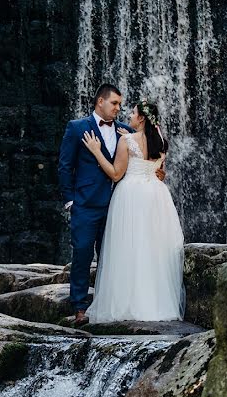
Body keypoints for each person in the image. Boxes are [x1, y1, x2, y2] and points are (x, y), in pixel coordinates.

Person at [57, 84, 165, 326]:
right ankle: (80, 308)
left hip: (117, 206)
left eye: (120, 104)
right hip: (84, 204)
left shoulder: (126, 132)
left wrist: (155, 173)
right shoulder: (77, 128)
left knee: (114, 255)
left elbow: (143, 156)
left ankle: (112, 304)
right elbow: (65, 165)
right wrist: (70, 200)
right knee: (83, 252)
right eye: (115, 103)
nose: (119, 108)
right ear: (100, 102)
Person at [79, 99, 184, 324]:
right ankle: (155, 304)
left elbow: (116, 174)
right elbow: (158, 170)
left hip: (131, 195)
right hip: (156, 195)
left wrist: (97, 151)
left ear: (142, 118)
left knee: (128, 247)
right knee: (151, 249)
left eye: (133, 113)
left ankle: (127, 303)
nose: (129, 115)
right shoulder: (162, 142)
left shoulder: (126, 141)